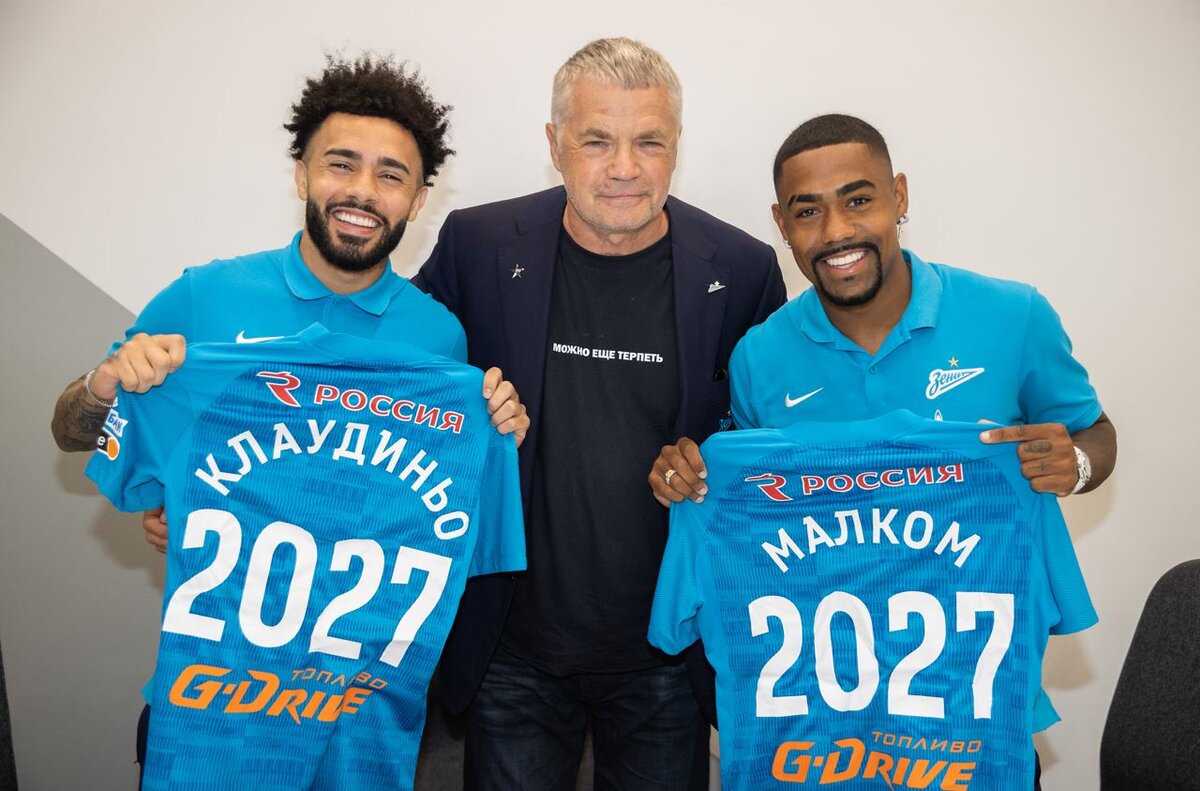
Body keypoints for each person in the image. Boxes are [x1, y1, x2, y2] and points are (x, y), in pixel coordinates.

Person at [49, 53, 529, 779]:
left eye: (391, 175)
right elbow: (69, 431)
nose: (362, 191)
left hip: (357, 719)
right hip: (208, 707)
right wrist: (106, 384)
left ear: (418, 199)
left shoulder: (439, 341)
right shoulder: (206, 297)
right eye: (340, 164)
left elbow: (424, 515)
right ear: (302, 174)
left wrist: (497, 426)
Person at [648, 113, 1117, 790]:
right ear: (782, 224)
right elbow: (750, 511)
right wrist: (691, 478)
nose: (836, 231)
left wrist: (1075, 464)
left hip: (974, 732)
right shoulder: (758, 357)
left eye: (858, 199)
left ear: (899, 195)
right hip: (818, 743)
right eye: (808, 211)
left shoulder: (1014, 316)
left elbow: (1095, 433)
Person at [412, 37, 786, 790]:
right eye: (596, 141)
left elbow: (772, 445)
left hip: (668, 651)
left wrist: (712, 464)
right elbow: (393, 387)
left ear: (676, 146)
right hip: (513, 645)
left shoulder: (744, 269)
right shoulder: (478, 245)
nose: (624, 168)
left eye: (649, 141)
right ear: (554, 145)